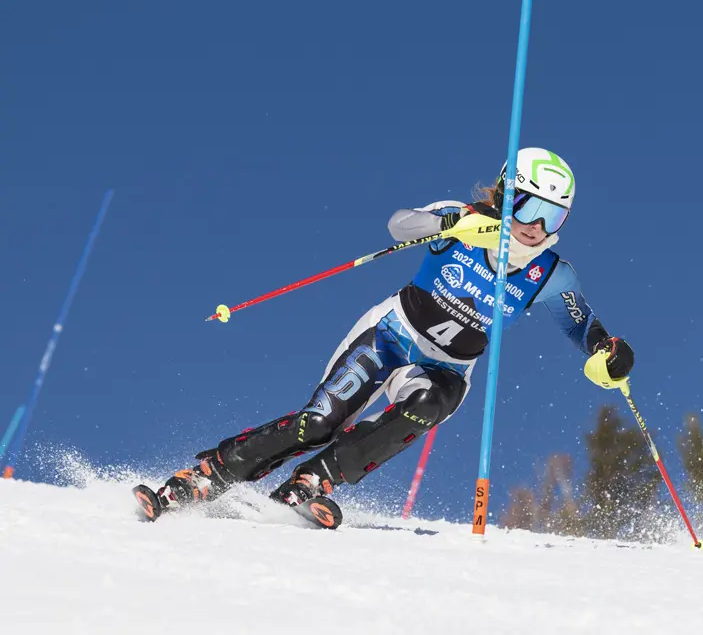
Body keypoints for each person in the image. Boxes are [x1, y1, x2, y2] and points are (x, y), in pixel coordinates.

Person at [140, 148, 635, 517]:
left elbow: (580, 322)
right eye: (529, 208)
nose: (536, 225)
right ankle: (207, 474)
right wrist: (445, 223)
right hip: (393, 333)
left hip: (447, 367)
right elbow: (399, 225)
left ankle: (314, 481)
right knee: (319, 422)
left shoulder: (551, 273)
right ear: (507, 195)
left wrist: (606, 352)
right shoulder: (463, 222)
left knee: (426, 407)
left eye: (552, 216)